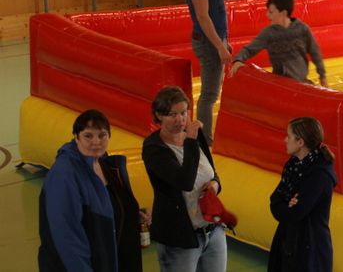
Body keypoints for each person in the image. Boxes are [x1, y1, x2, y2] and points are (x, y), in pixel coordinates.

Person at [39, 109, 147, 272]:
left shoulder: (103, 163)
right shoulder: (64, 174)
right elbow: (65, 236)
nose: (96, 142)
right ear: (76, 137)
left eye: (102, 135)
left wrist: (128, 214)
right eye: (88, 136)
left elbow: (105, 206)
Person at [142, 86, 226, 272]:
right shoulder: (154, 149)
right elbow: (185, 182)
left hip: (212, 229)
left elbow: (212, 172)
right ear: (159, 115)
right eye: (173, 114)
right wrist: (190, 141)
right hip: (179, 237)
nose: (180, 119)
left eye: (183, 112)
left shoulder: (194, 137)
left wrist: (215, 185)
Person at [268, 117, 337, 272]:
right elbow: (275, 200)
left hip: (310, 247)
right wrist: (287, 204)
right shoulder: (293, 165)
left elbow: (297, 212)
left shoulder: (320, 174)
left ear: (300, 142)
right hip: (288, 240)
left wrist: (287, 204)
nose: (285, 140)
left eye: (289, 136)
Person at [185, 0, 231, 143]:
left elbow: (216, 14)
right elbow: (203, 17)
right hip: (208, 42)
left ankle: (204, 137)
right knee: (209, 95)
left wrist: (224, 41)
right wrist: (219, 46)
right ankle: (204, 139)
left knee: (212, 91)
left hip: (214, 40)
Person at [229, 0, 328, 87]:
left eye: (271, 12)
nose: (267, 15)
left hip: (301, 81)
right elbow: (249, 49)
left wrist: (322, 75)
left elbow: (315, 52)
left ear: (283, 13)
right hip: (282, 83)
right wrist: (238, 60)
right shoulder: (269, 33)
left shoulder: (302, 29)